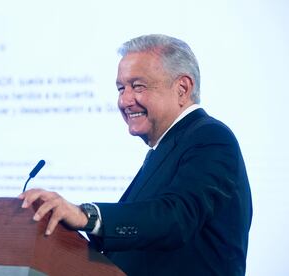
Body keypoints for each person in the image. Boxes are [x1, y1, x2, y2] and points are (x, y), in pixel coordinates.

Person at [19, 34, 252, 275]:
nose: (125, 100)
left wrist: (86, 216)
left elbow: (175, 218)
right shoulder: (166, 147)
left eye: (138, 86)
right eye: (121, 88)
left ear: (182, 88)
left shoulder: (210, 137)